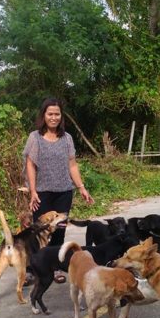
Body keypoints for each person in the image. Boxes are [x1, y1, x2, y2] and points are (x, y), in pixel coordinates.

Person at [23, 97, 94, 283]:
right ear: (44, 115)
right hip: (42, 192)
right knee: (38, 231)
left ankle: (54, 267)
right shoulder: (35, 138)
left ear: (61, 116)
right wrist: (33, 191)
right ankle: (32, 268)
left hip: (64, 192)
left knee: (59, 231)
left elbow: (72, 165)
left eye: (57, 114)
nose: (53, 117)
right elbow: (30, 165)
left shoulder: (67, 138)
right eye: (50, 114)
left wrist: (81, 187)